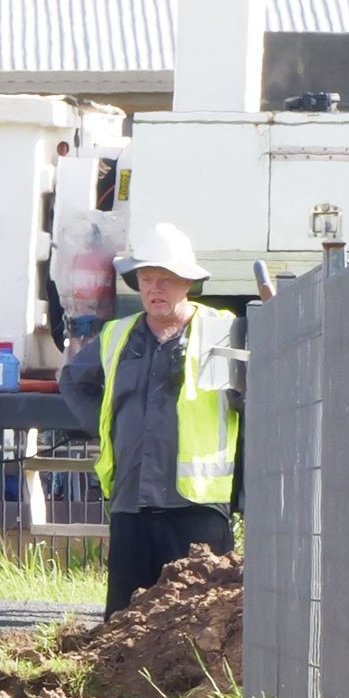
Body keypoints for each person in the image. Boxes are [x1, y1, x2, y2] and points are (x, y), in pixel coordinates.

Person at [59, 220, 241, 621]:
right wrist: (107, 427)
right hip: (133, 504)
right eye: (146, 279)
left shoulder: (223, 331)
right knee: (124, 623)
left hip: (196, 508)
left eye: (166, 280)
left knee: (198, 622)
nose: (155, 289)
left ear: (187, 283)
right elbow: (73, 380)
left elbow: (258, 397)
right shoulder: (116, 335)